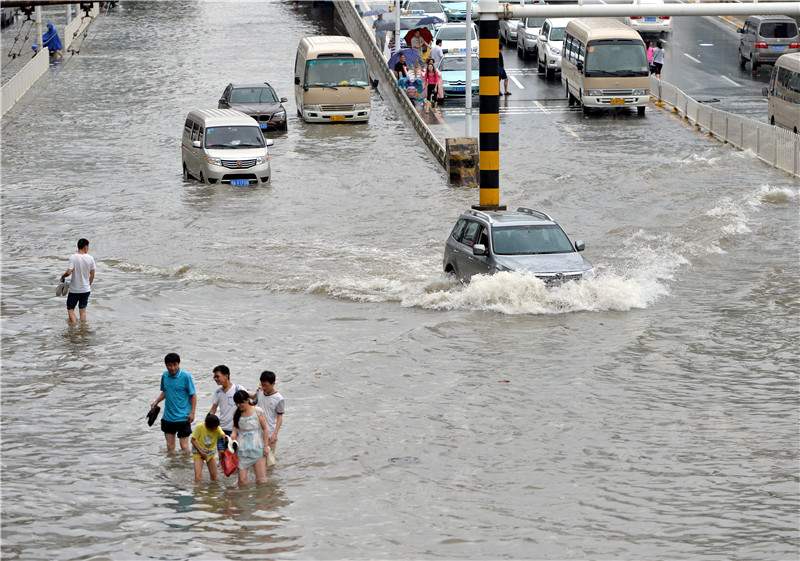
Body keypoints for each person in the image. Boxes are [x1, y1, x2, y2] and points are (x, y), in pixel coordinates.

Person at [150, 353, 197, 452]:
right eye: (169, 365)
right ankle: (172, 466)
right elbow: (165, 391)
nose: (172, 368)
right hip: (168, 417)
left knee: (184, 447)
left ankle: (184, 466)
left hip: (183, 417)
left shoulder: (186, 377)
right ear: (166, 365)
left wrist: (192, 413)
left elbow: (193, 395)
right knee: (170, 447)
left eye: (175, 365)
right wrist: (156, 401)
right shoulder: (165, 376)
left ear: (179, 364)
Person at [231, 389, 269, 485]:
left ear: (248, 400)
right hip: (242, 450)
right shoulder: (236, 413)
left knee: (261, 480)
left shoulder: (258, 411)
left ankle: (261, 499)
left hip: (258, 448)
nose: (239, 405)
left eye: (241, 403)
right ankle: (243, 499)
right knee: (242, 481)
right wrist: (233, 436)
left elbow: (265, 429)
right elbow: (234, 429)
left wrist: (265, 446)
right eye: (236, 403)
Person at [60, 238, 96, 323]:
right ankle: (83, 329)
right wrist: (88, 285)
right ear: (85, 247)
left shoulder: (73, 257)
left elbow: (69, 272)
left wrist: (63, 276)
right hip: (86, 289)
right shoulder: (91, 258)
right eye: (88, 246)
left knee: (70, 309)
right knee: (82, 311)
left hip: (74, 290)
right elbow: (93, 275)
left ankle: (73, 327)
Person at [209, 365, 246, 436]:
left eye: (217, 376)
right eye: (214, 377)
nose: (215, 379)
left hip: (237, 429)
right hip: (222, 429)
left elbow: (249, 401)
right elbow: (213, 409)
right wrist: (208, 420)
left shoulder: (238, 389)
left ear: (226, 376)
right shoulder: (218, 392)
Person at [254, 370, 285, 456]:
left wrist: (275, 434)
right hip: (257, 431)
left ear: (273, 384)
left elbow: (279, 417)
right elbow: (252, 403)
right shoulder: (259, 392)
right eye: (262, 384)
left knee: (270, 458)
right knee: (256, 457)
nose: (263, 387)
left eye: (266, 385)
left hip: (270, 432)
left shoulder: (279, 398)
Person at [191, 413, 225, 483]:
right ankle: (197, 492)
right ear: (207, 426)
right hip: (199, 452)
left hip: (211, 453)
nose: (216, 429)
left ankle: (212, 492)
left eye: (217, 427)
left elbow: (224, 436)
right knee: (198, 477)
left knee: (214, 478)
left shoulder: (217, 428)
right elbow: (192, 440)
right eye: (214, 428)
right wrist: (201, 452)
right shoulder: (200, 427)